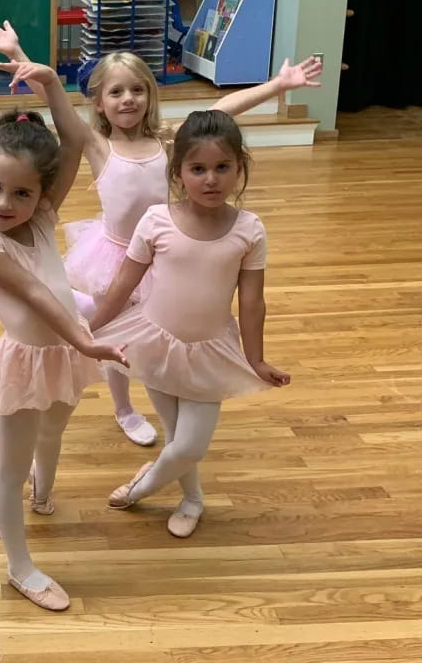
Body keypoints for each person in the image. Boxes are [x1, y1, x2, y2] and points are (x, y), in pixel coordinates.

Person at [0, 17, 320, 446]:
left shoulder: (171, 141)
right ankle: (123, 406)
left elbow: (223, 110)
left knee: (156, 328)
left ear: (150, 95)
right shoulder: (97, 144)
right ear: (98, 101)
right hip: (113, 256)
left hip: (163, 252)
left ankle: (168, 392)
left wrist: (277, 85)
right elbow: (57, 103)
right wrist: (18, 55)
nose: (128, 99)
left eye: (137, 89)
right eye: (116, 91)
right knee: (114, 329)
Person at [0, 61, 127, 611]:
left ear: (41, 195)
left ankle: (46, 492)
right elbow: (34, 294)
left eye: (21, 194)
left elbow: (74, 145)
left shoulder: (41, 218)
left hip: (63, 350)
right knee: (11, 467)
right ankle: (19, 567)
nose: (5, 204)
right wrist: (84, 340)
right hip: (28, 357)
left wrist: (53, 84)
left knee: (54, 428)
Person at [90, 109, 291, 538]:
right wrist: (89, 333)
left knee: (189, 446)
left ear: (240, 168)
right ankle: (192, 498)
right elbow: (123, 285)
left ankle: (140, 488)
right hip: (155, 340)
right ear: (178, 172)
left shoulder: (249, 230)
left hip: (211, 351)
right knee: (176, 436)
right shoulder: (156, 221)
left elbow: (252, 302)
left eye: (222, 168)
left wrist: (255, 360)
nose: (211, 179)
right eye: (198, 169)